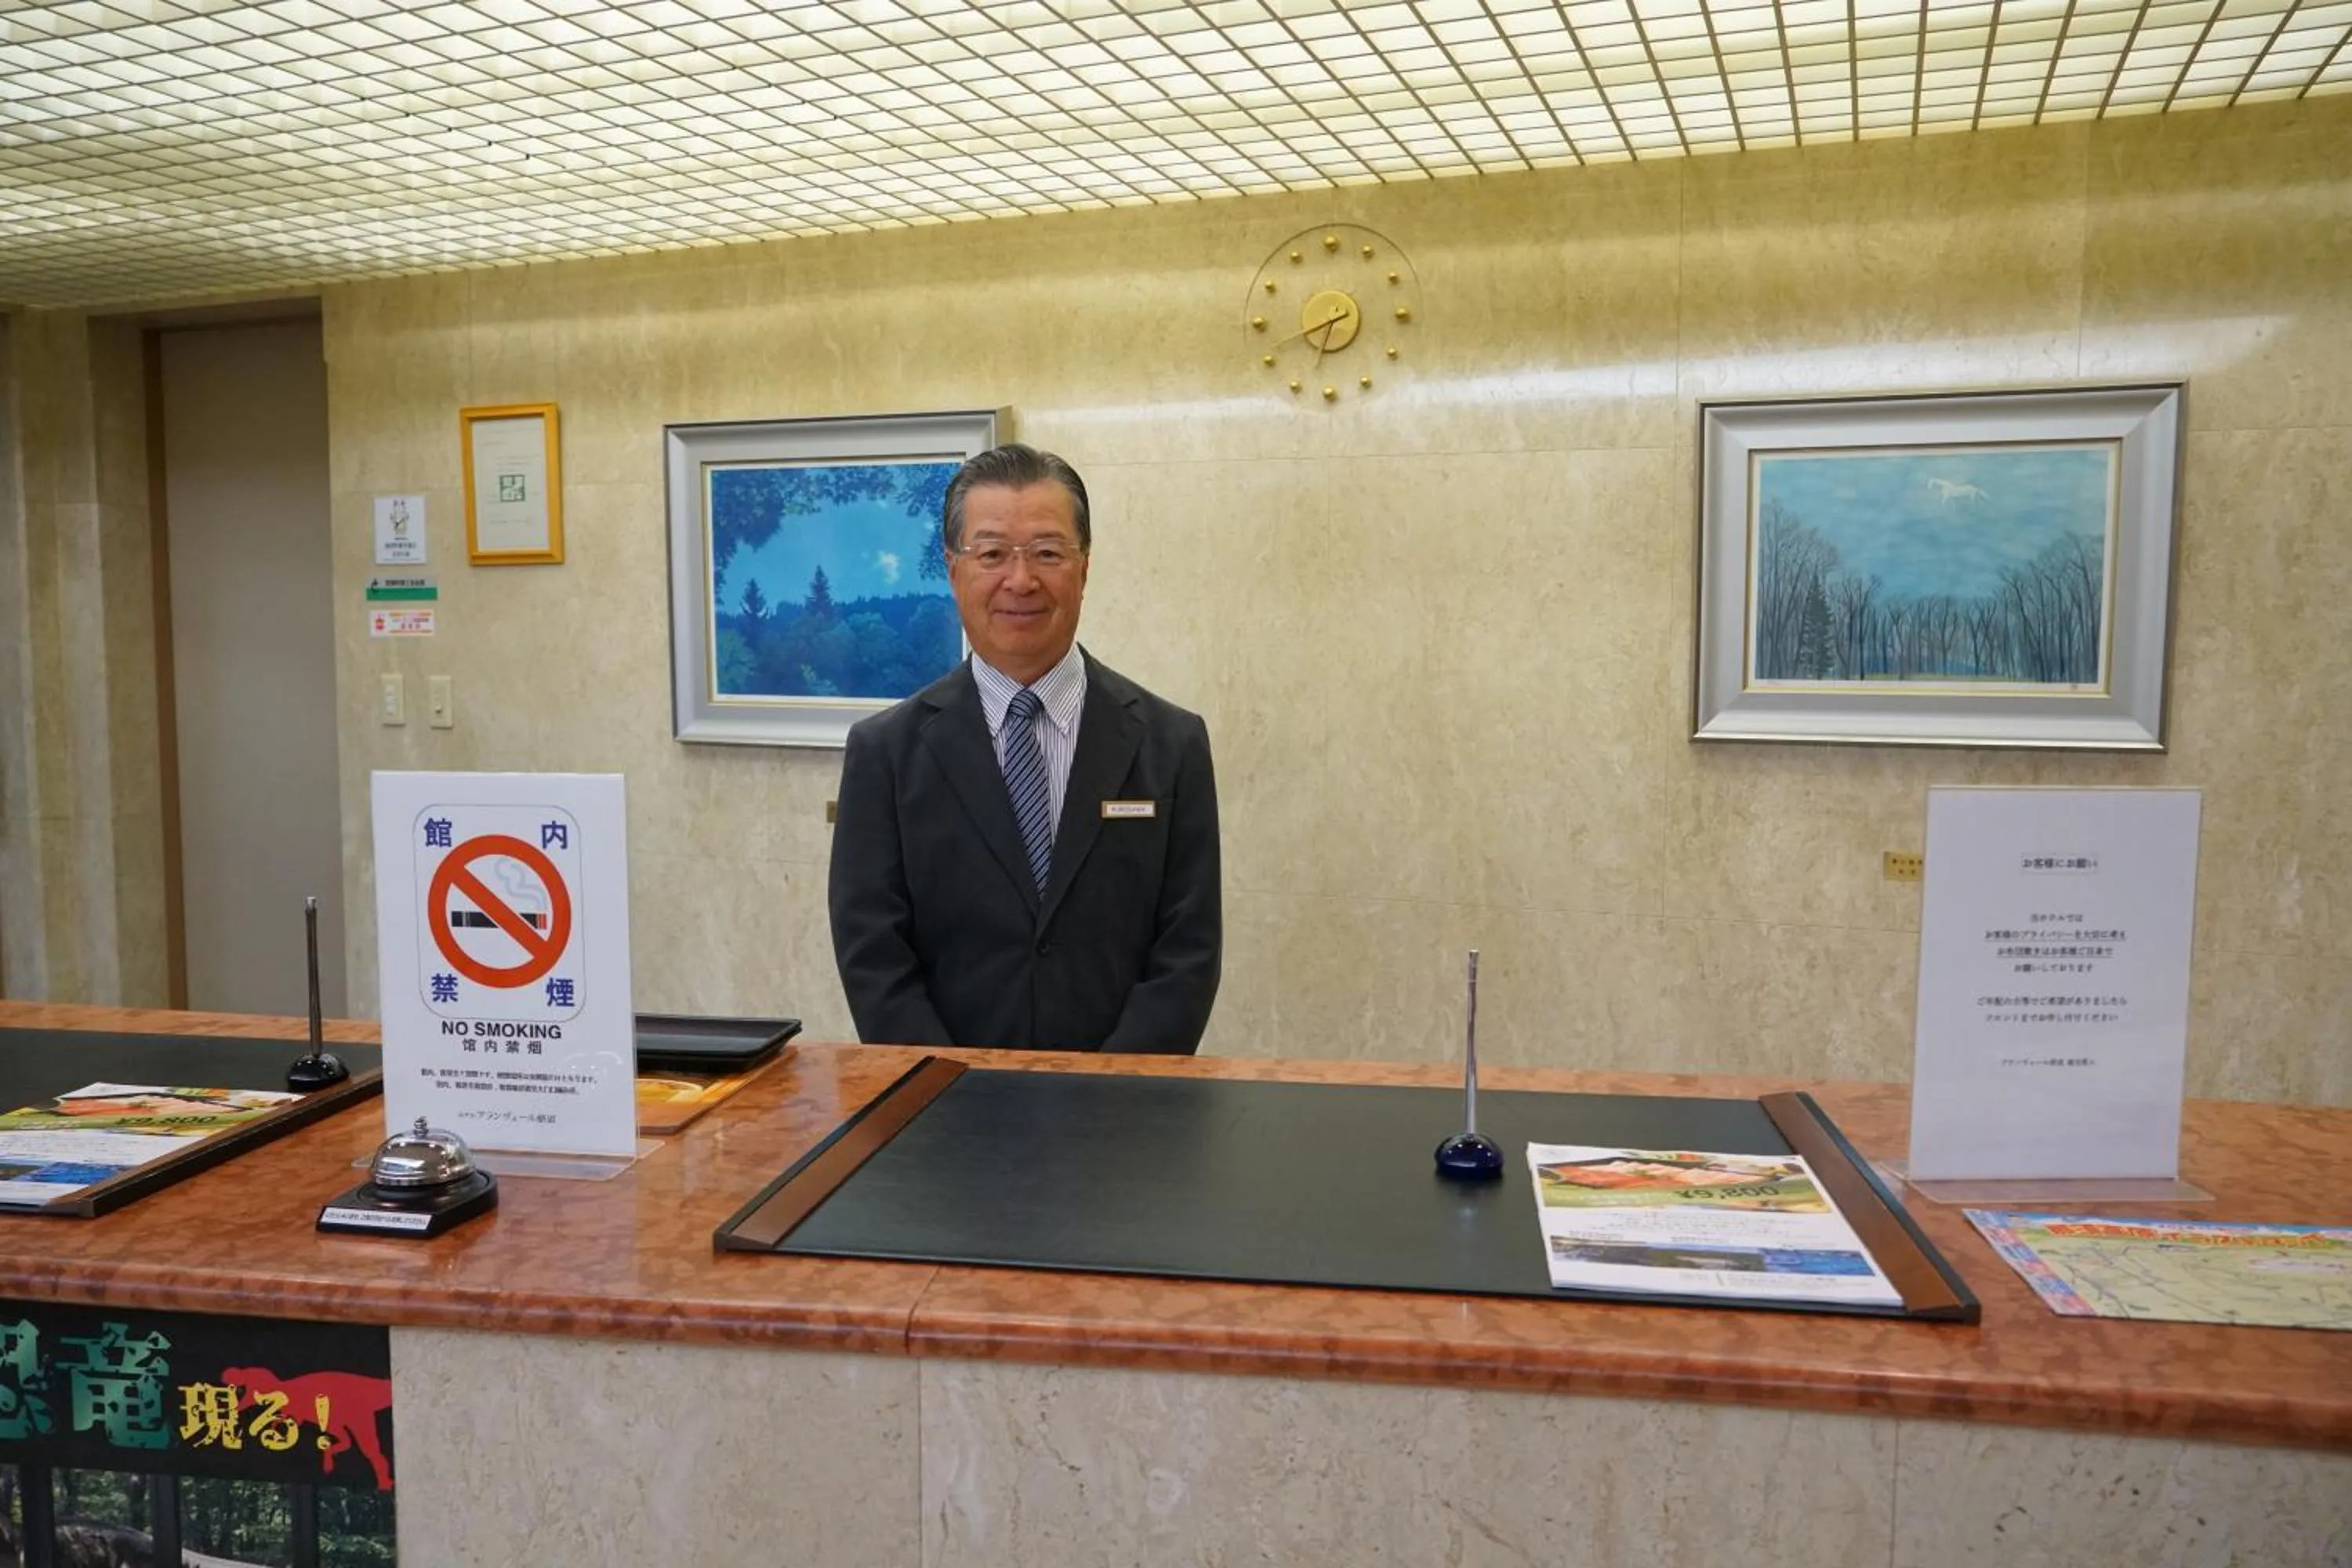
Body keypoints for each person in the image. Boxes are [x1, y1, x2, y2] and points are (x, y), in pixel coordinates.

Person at [827, 442, 1221, 1054]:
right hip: (946, 1102)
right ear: (953, 570)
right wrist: (951, 1089)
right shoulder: (886, 753)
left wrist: (1116, 1090)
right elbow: (873, 956)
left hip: (1127, 1102)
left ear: (1084, 568)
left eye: (1047, 552)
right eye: (991, 554)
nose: (1020, 580)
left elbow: (1188, 953)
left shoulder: (1172, 743)